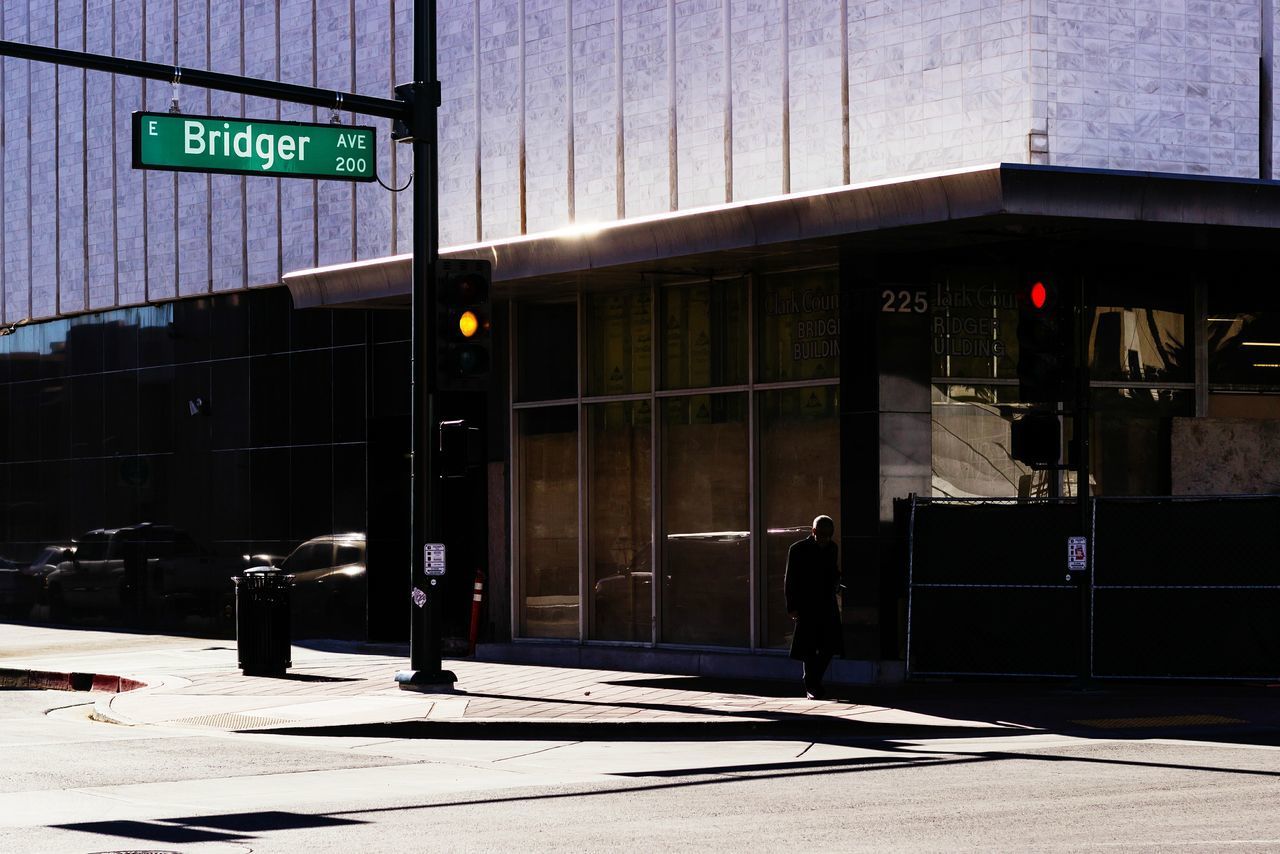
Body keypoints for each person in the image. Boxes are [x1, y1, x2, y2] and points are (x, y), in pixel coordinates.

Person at [785, 515, 843, 699]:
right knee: (809, 646)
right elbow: (790, 579)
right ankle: (811, 684)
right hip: (807, 604)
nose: (825, 538)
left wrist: (837, 582)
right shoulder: (798, 549)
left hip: (826, 602)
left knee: (830, 644)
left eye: (829, 535)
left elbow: (833, 571)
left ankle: (813, 679)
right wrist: (792, 607)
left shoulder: (832, 548)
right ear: (814, 532)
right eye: (822, 534)